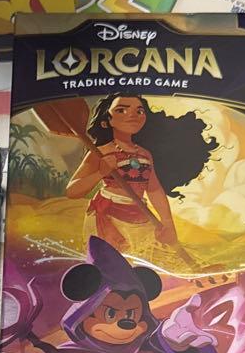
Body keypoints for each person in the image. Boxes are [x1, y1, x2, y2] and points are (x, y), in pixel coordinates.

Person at [66, 94, 216, 273]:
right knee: (115, 266)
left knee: (158, 258)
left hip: (139, 215)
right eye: (122, 110)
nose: (133, 115)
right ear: (108, 120)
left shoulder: (145, 154)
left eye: (139, 111)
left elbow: (154, 189)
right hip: (108, 217)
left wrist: (167, 222)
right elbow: (72, 191)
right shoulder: (99, 153)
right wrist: (100, 173)